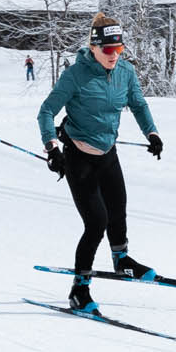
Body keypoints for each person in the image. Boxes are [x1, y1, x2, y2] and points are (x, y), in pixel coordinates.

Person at [38, 16, 163, 307]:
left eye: (118, 50)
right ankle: (79, 290)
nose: (114, 56)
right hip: (78, 156)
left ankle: (122, 261)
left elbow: (139, 104)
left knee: (118, 209)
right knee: (97, 222)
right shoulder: (76, 76)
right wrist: (52, 147)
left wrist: (152, 133)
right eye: (108, 51)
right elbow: (46, 111)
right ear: (94, 47)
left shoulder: (126, 72)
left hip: (108, 152)